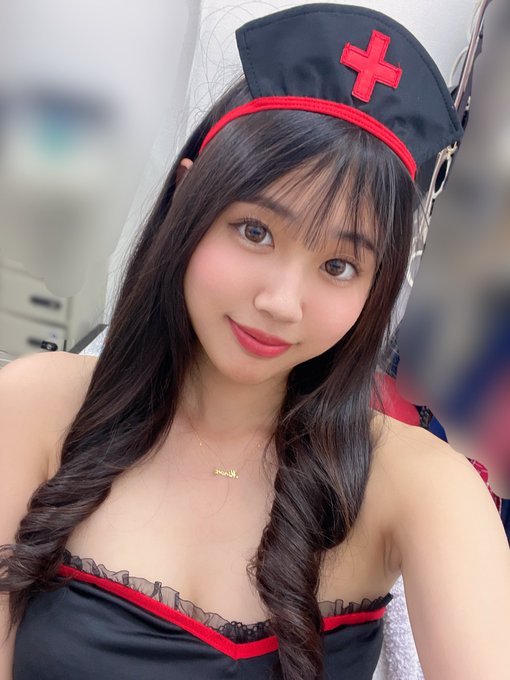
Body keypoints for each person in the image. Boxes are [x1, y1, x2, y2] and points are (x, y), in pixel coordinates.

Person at [1, 4, 509, 679]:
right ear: (189, 195)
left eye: (339, 266)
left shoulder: (419, 486)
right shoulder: (37, 408)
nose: (280, 302)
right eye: (255, 232)